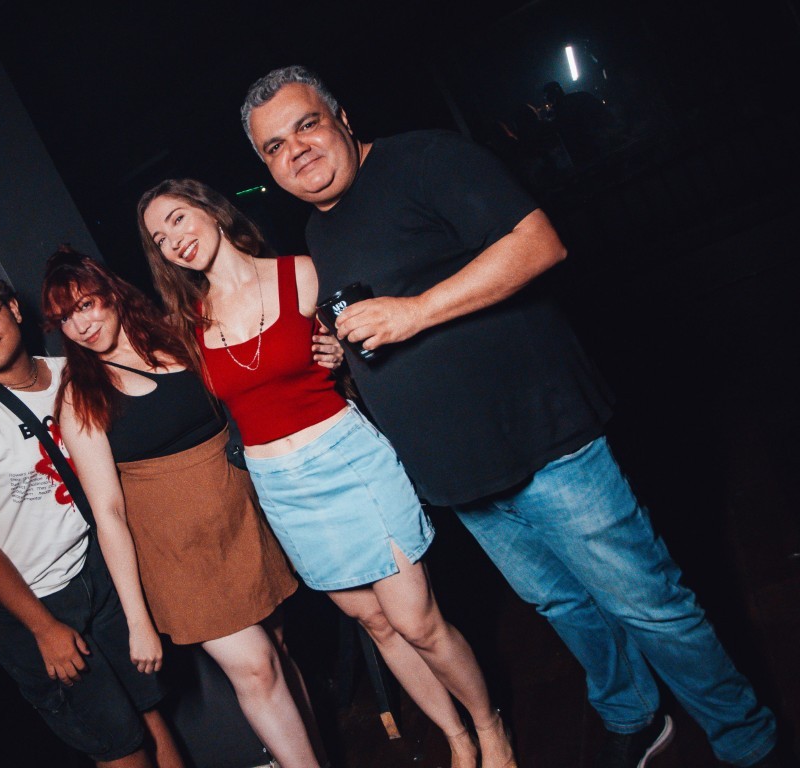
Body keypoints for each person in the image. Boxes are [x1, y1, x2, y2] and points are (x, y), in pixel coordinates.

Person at [240, 64, 783, 768]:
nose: (297, 150)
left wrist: (415, 312)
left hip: (546, 442)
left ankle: (747, 738)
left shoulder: (426, 159)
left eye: (306, 125)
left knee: (648, 601)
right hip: (460, 475)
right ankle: (634, 714)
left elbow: (538, 244)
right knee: (562, 607)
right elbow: (385, 321)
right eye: (275, 147)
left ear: (341, 118)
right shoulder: (319, 233)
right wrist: (342, 353)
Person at [138, 179, 518, 768]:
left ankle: (490, 727)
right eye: (159, 238)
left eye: (179, 219)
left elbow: (373, 349)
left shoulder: (302, 274)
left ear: (211, 211)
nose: (174, 241)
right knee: (376, 624)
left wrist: (343, 357)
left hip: (346, 457)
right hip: (281, 486)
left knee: (416, 621)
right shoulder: (186, 323)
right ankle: (457, 738)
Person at [41, 248, 326, 768]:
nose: (80, 325)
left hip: (244, 523)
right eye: (65, 318)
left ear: (112, 294)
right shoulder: (82, 397)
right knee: (257, 668)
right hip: (179, 559)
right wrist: (138, 620)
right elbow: (108, 514)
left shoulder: (178, 338)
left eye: (86, 305)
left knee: (280, 653)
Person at [0, 272, 184, 768]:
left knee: (149, 713)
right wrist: (43, 629)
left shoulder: (72, 371)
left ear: (13, 309)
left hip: (90, 570)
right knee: (119, 743)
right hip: (28, 600)